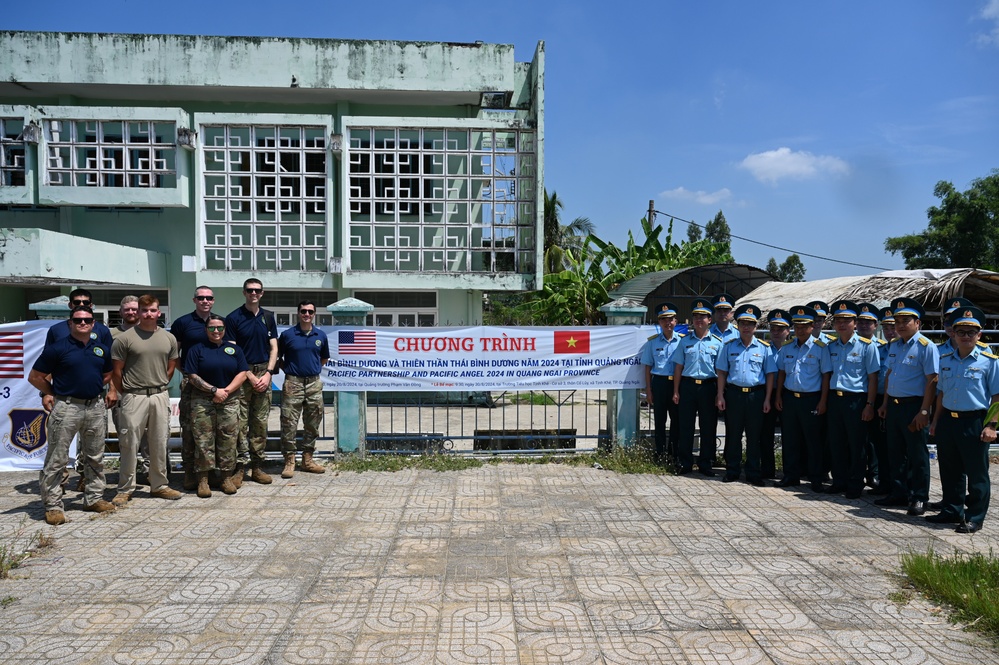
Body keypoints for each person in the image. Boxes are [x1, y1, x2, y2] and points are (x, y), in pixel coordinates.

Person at [28, 305, 115, 525]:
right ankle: (53, 505)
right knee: (58, 458)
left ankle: (94, 497)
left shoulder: (100, 349)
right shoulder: (57, 349)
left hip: (95, 407)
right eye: (78, 320)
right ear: (70, 323)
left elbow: (106, 374)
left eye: (87, 320)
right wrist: (55, 393)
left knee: (95, 456)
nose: (83, 324)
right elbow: (35, 377)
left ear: (93, 323)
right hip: (67, 407)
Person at [928, 306, 999, 533]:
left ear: (979, 335)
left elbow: (997, 396)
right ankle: (951, 510)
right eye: (961, 332)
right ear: (954, 334)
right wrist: (936, 420)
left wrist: (992, 425)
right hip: (949, 419)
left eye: (971, 332)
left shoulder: (990, 361)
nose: (966, 336)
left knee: (977, 472)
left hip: (974, 421)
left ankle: (975, 516)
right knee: (949, 469)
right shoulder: (946, 359)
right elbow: (941, 394)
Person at [110, 294, 182, 504]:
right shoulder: (125, 339)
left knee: (159, 442)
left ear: (159, 312)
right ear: (139, 312)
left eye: (153, 310)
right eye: (144, 310)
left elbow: (171, 367)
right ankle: (125, 488)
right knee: (129, 443)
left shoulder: (168, 338)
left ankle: (159, 485)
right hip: (134, 396)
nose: (148, 314)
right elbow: (117, 372)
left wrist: (159, 385)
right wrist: (130, 392)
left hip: (160, 395)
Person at [876, 297, 939, 517]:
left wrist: (924, 411)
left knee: (917, 454)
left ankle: (919, 497)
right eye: (898, 321)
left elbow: (932, 380)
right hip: (893, 405)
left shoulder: (926, 347)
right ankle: (899, 492)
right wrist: (884, 403)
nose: (900, 325)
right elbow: (890, 375)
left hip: (914, 406)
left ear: (917, 323)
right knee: (895, 451)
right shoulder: (894, 345)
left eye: (906, 320)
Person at [183, 315, 249, 498]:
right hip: (202, 401)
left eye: (219, 328)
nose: (216, 331)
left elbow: (242, 373)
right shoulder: (197, 349)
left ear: (225, 329)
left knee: (228, 440)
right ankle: (203, 479)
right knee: (203, 440)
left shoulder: (234, 349)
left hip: (228, 400)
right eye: (212, 328)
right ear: (206, 330)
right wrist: (214, 391)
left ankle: (226, 477)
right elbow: (192, 376)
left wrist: (225, 391)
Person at [820, 300, 879, 499]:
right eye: (838, 320)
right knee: (836, 443)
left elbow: (873, 378)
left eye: (846, 320)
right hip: (836, 399)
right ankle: (839, 481)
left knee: (857, 444)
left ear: (855, 322)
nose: (842, 324)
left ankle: (855, 483)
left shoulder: (867, 347)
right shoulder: (831, 346)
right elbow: (827, 376)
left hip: (857, 400)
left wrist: (869, 405)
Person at [225, 278, 279, 485]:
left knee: (259, 423)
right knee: (240, 423)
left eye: (257, 290)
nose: (253, 293)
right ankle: (240, 468)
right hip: (242, 375)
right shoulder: (233, 318)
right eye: (250, 290)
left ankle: (257, 467)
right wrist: (248, 375)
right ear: (244, 292)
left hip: (264, 374)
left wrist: (268, 374)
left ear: (262, 293)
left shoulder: (268, 317)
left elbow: (273, 347)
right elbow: (232, 351)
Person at [715, 304, 775, 486]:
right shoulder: (729, 346)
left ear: (756, 326)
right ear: (738, 325)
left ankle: (753, 473)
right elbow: (722, 372)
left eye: (750, 323)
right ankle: (732, 470)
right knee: (733, 434)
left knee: (754, 436)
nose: (746, 327)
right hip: (734, 395)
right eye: (743, 323)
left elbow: (770, 374)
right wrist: (720, 395)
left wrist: (767, 399)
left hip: (756, 396)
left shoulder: (764, 348)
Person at [170, 285, 219, 490]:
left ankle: (213, 473)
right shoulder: (183, 323)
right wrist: (188, 373)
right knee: (190, 430)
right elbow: (173, 354)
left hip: (217, 385)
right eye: (201, 298)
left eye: (209, 298)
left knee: (215, 429)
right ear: (194, 300)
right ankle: (190, 472)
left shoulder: (219, 322)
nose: (205, 301)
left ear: (213, 300)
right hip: (191, 384)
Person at [774, 305, 829, 490]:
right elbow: (781, 372)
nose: (799, 330)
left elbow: (826, 376)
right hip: (790, 397)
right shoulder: (787, 347)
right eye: (796, 326)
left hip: (811, 399)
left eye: (803, 326)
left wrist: (823, 401)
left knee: (813, 440)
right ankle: (791, 475)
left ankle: (816, 477)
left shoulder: (821, 348)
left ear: (812, 326)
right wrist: (779, 396)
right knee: (790, 438)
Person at [277, 301, 330, 478]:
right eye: (303, 311)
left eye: (310, 311)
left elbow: (324, 358)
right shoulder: (287, 335)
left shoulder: (320, 335)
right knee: (289, 423)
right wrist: (292, 371)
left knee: (313, 422)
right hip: (293, 383)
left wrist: (311, 370)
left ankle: (307, 459)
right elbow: (278, 357)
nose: (306, 314)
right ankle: (289, 460)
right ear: (298, 313)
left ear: (314, 314)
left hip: (314, 383)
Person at [671, 298, 724, 475]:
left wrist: (720, 394)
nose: (699, 320)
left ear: (710, 319)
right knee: (685, 426)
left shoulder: (717, 342)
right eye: (696, 317)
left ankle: (705, 463)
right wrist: (676, 390)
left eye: (703, 317)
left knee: (708, 427)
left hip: (709, 387)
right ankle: (685, 463)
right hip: (688, 386)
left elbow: (720, 370)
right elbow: (678, 367)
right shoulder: (684, 342)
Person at [110, 296, 149, 484]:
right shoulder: (111, 335)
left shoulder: (149, 331)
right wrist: (112, 390)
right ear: (121, 312)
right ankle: (128, 474)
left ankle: (151, 472)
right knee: (126, 435)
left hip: (147, 390)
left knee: (150, 436)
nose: (131, 312)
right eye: (127, 309)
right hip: (121, 391)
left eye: (135, 309)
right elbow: (108, 366)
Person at [640, 302, 683, 465]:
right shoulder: (652, 343)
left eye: (670, 319)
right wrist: (648, 390)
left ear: (676, 321)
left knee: (676, 420)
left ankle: (673, 453)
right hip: (659, 383)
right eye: (663, 319)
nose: (667, 323)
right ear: (659, 322)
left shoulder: (683, 341)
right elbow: (648, 367)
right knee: (659, 420)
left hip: (677, 385)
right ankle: (659, 453)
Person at [856, 302, 890, 493]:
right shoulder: (850, 344)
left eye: (868, 323)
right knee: (858, 439)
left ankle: (875, 475)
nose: (863, 326)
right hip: (859, 396)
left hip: (879, 398)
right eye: (860, 322)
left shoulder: (882, 347)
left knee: (876, 441)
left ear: (875, 326)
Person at [760, 308, 791, 480]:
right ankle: (767, 469)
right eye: (773, 329)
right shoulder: (764, 348)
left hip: (788, 394)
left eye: (781, 329)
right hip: (768, 394)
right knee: (765, 433)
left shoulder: (793, 348)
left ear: (788, 331)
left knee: (790, 434)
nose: (777, 332)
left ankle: (790, 471)